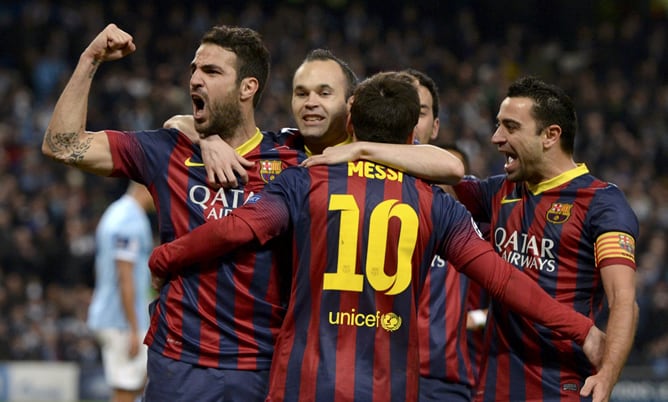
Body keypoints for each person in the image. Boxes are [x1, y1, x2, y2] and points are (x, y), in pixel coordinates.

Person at [148, 71, 605, 402]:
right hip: (388, 386)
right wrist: (580, 327)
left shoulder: (303, 182)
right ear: (411, 136)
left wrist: (167, 257)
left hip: (304, 382)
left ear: (350, 120)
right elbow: (503, 280)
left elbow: (235, 229)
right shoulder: (436, 204)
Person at [42, 23, 304, 402]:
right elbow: (61, 144)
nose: (196, 79)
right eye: (194, 69)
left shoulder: (291, 157)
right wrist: (90, 59)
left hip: (261, 363)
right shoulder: (166, 151)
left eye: (212, 72)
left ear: (248, 88)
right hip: (179, 362)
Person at [453, 76, 639, 402]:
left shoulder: (602, 203)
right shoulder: (498, 191)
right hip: (495, 383)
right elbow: (445, 176)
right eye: (498, 125)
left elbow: (624, 301)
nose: (496, 138)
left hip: (562, 384)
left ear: (551, 135)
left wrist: (607, 377)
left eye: (511, 127)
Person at [167, 48, 465, 188]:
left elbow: (451, 167)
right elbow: (176, 123)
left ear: (351, 104)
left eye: (324, 94)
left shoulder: (375, 152)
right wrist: (208, 138)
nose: (310, 103)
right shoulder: (278, 146)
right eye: (301, 93)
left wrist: (358, 149)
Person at [401, 68, 487, 401]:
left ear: (434, 125)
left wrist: (474, 321)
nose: (410, 119)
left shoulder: (465, 212)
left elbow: (507, 293)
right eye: (402, 106)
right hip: (368, 370)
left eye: (420, 111)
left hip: (441, 380)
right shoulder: (345, 188)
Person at [87, 181, 154, 402]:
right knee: (125, 391)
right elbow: (124, 276)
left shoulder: (117, 211)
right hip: (121, 320)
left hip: (115, 314)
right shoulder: (129, 220)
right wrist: (134, 327)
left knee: (137, 385)